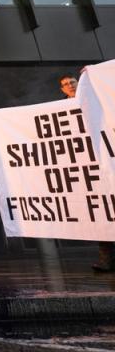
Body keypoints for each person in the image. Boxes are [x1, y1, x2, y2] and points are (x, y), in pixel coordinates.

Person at [59, 73, 113, 273]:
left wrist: (92, 73)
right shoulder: (59, 108)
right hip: (87, 170)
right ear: (62, 90)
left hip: (105, 163)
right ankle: (106, 260)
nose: (69, 86)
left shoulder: (94, 97)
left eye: (72, 82)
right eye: (65, 84)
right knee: (101, 216)